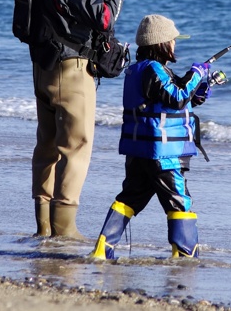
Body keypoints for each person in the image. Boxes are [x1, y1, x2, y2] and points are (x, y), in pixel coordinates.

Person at [25, 0, 135, 239]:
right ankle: (64, 228)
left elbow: (68, 13)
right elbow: (104, 18)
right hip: (71, 74)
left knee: (46, 146)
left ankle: (43, 226)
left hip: (42, 71)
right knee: (76, 147)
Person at [90, 14, 215, 260]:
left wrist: (199, 91)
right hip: (162, 156)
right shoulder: (154, 70)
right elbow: (178, 97)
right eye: (173, 41)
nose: (175, 45)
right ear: (161, 43)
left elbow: (175, 100)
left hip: (140, 153)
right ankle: (185, 254)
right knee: (180, 201)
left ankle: (102, 251)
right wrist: (196, 73)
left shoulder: (142, 71)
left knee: (131, 197)